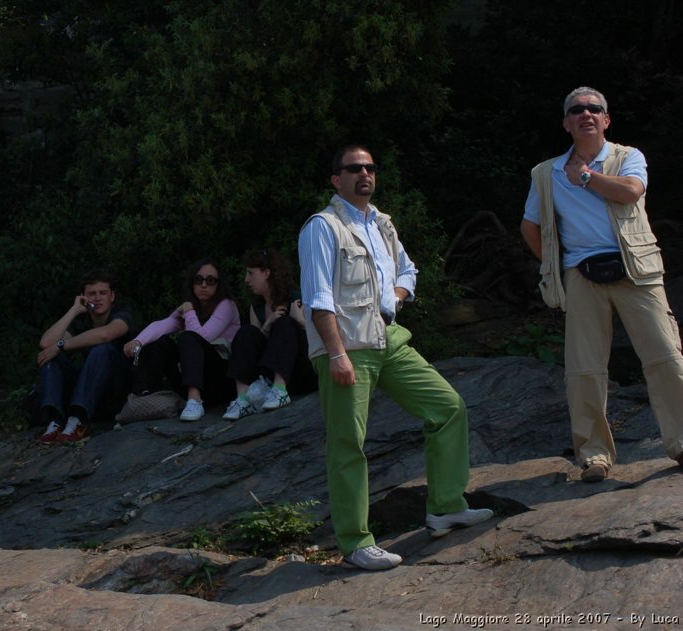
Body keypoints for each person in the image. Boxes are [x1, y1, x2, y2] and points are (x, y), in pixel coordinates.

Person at [298, 144, 492, 571]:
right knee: (348, 443)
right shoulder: (322, 227)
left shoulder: (382, 224)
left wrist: (394, 298)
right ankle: (355, 543)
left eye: (370, 168)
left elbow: (409, 270)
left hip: (389, 339)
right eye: (353, 169)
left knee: (447, 408)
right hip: (347, 348)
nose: (364, 174)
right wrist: (336, 355)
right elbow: (318, 298)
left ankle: (445, 506)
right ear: (336, 179)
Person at [521, 86, 683, 483]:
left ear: (606, 120)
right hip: (581, 274)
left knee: (666, 356)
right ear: (566, 122)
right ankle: (594, 456)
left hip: (636, 269)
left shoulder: (628, 157)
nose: (586, 114)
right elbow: (530, 225)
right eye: (576, 110)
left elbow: (630, 193)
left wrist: (588, 178)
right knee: (584, 369)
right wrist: (554, 264)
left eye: (595, 109)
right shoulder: (547, 172)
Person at [123, 258, 240, 421]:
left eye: (211, 280)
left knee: (188, 338)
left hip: (220, 380)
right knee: (159, 343)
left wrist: (189, 312)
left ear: (219, 285)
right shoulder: (192, 307)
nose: (204, 285)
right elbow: (164, 324)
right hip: (195, 379)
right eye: (198, 280)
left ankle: (194, 401)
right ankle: (146, 393)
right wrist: (138, 341)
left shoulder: (227, 305)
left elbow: (202, 338)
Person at [36, 270, 135, 442]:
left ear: (112, 296)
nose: (97, 298)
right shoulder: (81, 321)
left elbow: (106, 334)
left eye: (103, 293)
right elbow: (46, 343)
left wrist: (60, 346)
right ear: (83, 297)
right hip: (89, 390)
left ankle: (78, 419)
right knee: (50, 357)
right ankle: (55, 422)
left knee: (102, 349)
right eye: (92, 294)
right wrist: (74, 310)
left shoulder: (122, 313)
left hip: (117, 389)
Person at [222, 248, 317, 420]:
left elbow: (321, 337)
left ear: (266, 273)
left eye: (251, 273)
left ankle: (280, 391)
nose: (246, 280)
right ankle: (243, 398)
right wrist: (267, 325)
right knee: (246, 332)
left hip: (300, 371)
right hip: (269, 372)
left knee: (285, 322)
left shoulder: (296, 298)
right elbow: (256, 345)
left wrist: (300, 321)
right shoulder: (256, 306)